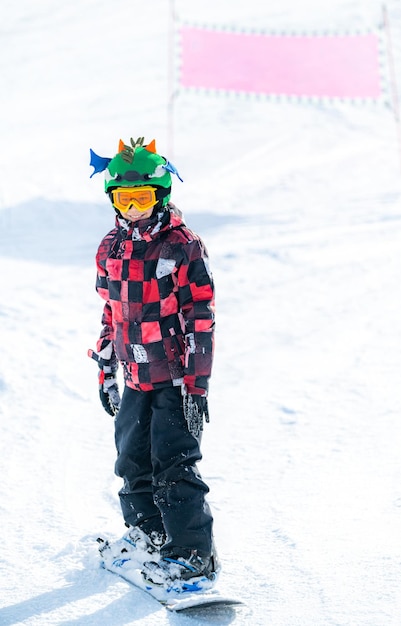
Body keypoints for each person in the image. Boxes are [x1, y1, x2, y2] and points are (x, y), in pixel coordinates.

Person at [88, 136, 218, 589]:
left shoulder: (182, 245)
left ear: (160, 195)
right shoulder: (111, 247)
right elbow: (111, 310)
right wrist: (106, 368)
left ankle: (192, 555)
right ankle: (148, 532)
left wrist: (196, 386)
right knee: (131, 459)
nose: (134, 208)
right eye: (125, 198)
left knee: (174, 463)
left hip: (174, 377)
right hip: (134, 375)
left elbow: (200, 315)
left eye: (143, 197)